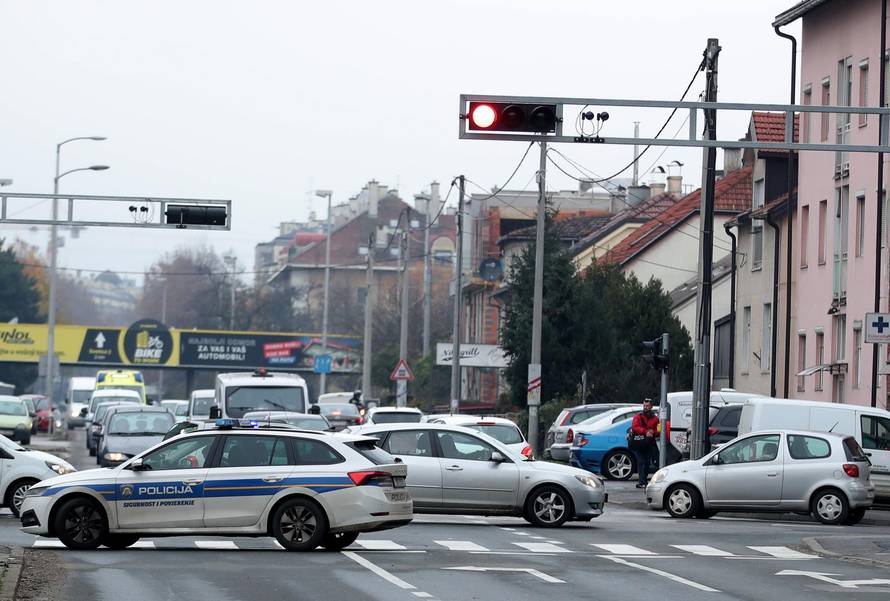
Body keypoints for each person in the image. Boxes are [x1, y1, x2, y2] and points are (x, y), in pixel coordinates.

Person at [630, 399, 659, 489]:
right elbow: (635, 427)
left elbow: (658, 431)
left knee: (647, 462)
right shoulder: (638, 416)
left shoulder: (655, 418)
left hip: (649, 443)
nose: (645, 407)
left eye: (647, 406)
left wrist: (653, 432)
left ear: (651, 407)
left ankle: (644, 480)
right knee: (641, 462)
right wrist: (645, 431)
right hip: (639, 442)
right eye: (644, 406)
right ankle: (642, 482)